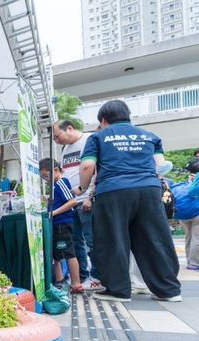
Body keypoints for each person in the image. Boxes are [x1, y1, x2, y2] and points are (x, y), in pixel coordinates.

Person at [79, 99, 181, 302]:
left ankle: (118, 291)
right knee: (154, 239)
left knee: (113, 239)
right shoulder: (150, 136)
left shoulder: (98, 137)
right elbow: (161, 167)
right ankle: (168, 291)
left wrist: (83, 188)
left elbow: (87, 167)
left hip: (113, 191)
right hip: (149, 190)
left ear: (104, 120)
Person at [53, 119, 103, 292]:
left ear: (69, 128)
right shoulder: (65, 149)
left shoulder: (90, 139)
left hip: (87, 199)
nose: (56, 140)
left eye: (57, 135)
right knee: (75, 242)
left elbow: (97, 169)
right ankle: (82, 277)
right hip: (71, 202)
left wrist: (90, 195)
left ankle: (97, 277)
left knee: (92, 240)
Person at [40, 158, 83, 293]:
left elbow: (72, 202)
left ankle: (76, 284)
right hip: (57, 223)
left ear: (56, 170)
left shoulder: (61, 182)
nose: (46, 179)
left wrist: (53, 213)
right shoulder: (55, 185)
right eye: (43, 177)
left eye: (46, 176)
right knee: (57, 254)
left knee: (68, 252)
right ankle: (60, 281)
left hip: (62, 223)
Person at [171, 158, 199, 271]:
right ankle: (195, 263)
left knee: (189, 238)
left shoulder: (186, 181)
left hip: (182, 214)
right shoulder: (196, 180)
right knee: (197, 238)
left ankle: (190, 261)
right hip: (196, 212)